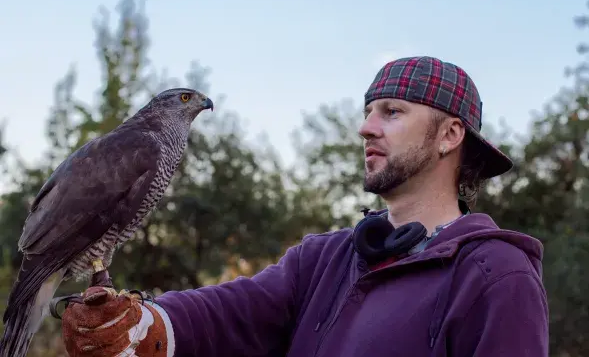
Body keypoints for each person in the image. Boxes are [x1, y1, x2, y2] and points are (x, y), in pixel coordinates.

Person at [61, 56, 549, 356]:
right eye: (367, 112)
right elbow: (230, 314)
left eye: (392, 112)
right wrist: (143, 325)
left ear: (449, 135)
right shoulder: (326, 260)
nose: (366, 128)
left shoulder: (496, 276)